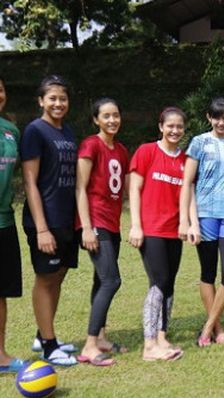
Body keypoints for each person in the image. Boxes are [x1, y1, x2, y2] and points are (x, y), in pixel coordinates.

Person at [22, 75, 79, 366]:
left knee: (59, 275)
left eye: (63, 98)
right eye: (52, 98)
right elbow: (30, 182)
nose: (58, 103)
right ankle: (48, 345)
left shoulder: (67, 131)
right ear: (41, 101)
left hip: (66, 219)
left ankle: (42, 334)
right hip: (44, 221)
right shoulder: (35, 131)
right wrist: (42, 228)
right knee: (46, 279)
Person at [179, 98, 224, 348]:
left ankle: (207, 327)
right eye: (216, 117)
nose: (221, 122)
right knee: (208, 272)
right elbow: (187, 183)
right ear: (209, 118)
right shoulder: (199, 142)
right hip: (204, 215)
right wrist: (189, 221)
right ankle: (217, 329)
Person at [129, 107, 187, 361]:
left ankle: (162, 336)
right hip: (151, 229)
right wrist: (136, 225)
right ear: (161, 126)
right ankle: (149, 344)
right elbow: (134, 189)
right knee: (159, 281)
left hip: (174, 231)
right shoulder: (146, 152)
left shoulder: (185, 159)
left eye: (179, 127)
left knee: (170, 284)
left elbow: (187, 196)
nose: (175, 131)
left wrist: (188, 224)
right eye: (170, 126)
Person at [75, 98, 129, 366]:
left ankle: (101, 338)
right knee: (111, 280)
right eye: (106, 116)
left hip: (113, 223)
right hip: (95, 222)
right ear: (96, 119)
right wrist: (86, 227)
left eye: (115, 115)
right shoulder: (90, 145)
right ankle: (88, 345)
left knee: (100, 281)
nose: (112, 120)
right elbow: (80, 188)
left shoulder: (120, 149)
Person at [0, 76, 26, 373]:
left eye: (1, 90)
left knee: (1, 292)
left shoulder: (11, 132)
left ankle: (1, 356)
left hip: (4, 221)